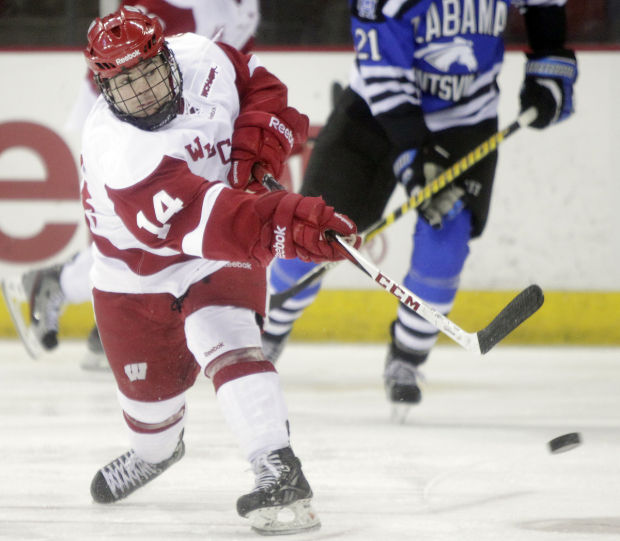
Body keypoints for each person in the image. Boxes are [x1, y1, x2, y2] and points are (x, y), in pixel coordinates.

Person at [78, 6, 358, 534]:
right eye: (124, 84)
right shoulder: (120, 152)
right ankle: (157, 452)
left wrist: (254, 149)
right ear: (105, 89)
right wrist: (292, 223)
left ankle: (278, 470)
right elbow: (218, 222)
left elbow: (261, 88)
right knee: (152, 419)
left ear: (166, 55)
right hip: (134, 272)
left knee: (227, 339)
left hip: (214, 247)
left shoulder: (202, 56)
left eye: (147, 72)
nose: (142, 93)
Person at [261, 0, 578, 408]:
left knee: (444, 243)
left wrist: (549, 65)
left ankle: (406, 359)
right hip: (375, 112)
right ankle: (267, 332)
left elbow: (545, 6)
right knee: (313, 231)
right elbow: (384, 73)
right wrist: (413, 160)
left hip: (466, 119)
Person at [1, 0, 260, 370]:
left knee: (186, 218)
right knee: (154, 223)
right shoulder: (161, 6)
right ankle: (85, 294)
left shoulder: (241, 5)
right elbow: (129, 74)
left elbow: (236, 62)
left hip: (194, 116)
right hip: (133, 121)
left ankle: (67, 286)